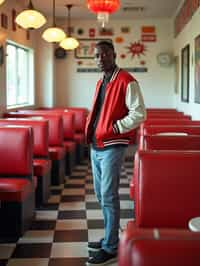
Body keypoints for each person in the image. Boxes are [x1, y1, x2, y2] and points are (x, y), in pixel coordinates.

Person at [85, 40, 146, 266]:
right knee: (102, 196)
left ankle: (111, 247)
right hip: (97, 145)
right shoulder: (101, 81)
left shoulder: (126, 80)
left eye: (105, 55)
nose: (100, 59)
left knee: (108, 196)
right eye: (97, 56)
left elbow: (139, 113)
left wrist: (115, 128)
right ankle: (110, 237)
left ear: (114, 55)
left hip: (112, 144)